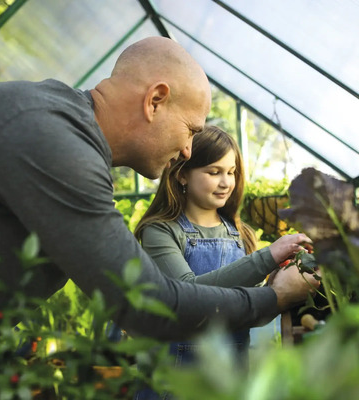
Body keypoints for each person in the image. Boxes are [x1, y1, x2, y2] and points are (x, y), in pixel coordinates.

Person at [0, 36, 319, 341]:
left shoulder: (60, 127)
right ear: (155, 100)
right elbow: (145, 304)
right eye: (190, 130)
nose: (188, 150)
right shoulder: (54, 142)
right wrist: (276, 296)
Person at [134, 126, 313, 370]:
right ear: (182, 175)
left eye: (231, 172)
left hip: (232, 381)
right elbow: (189, 294)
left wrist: (281, 284)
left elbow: (250, 309)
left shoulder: (241, 233)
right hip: (179, 382)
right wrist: (268, 256)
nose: (226, 182)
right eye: (214, 172)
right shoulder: (160, 231)